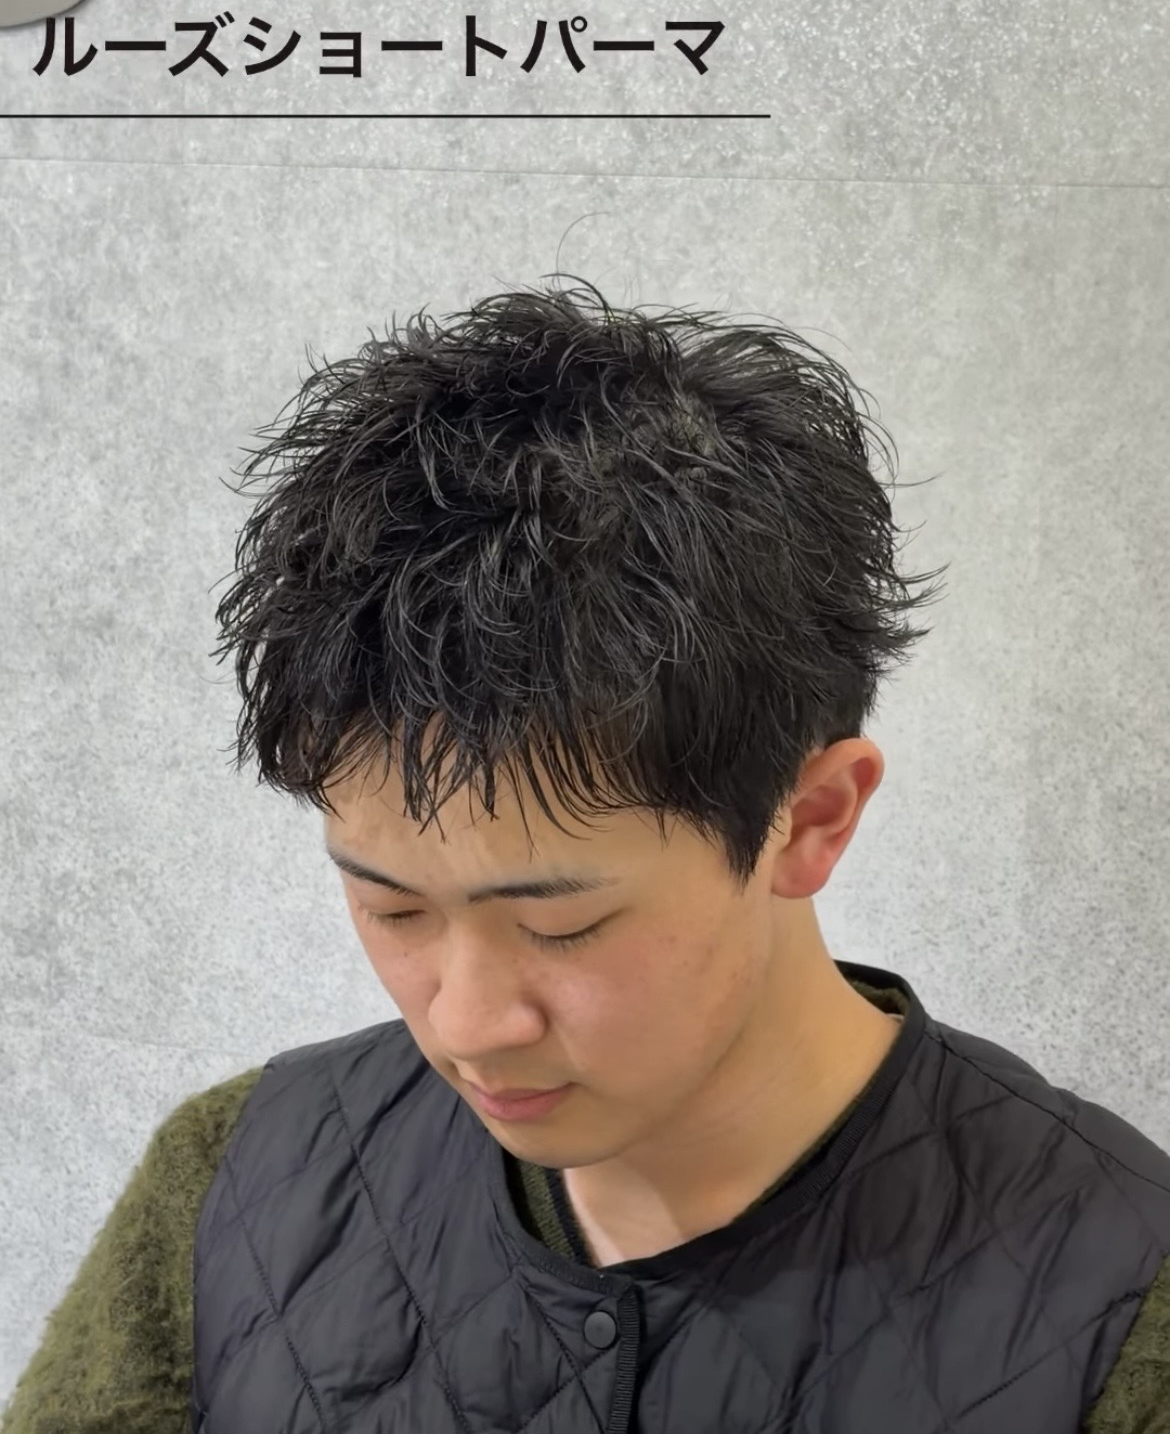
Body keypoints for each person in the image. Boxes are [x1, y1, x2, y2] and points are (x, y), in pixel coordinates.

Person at [4, 277, 1168, 1433]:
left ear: (811, 819)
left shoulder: (1121, 1302)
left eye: (560, 925)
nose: (468, 1025)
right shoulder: (233, 1186)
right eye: (392, 908)